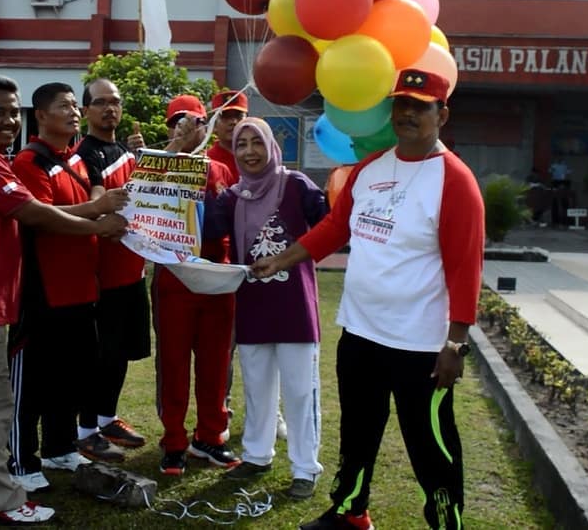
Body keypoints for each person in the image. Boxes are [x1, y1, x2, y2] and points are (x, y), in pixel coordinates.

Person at [251, 69, 484, 530]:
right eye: (402, 104)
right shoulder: (371, 167)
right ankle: (350, 512)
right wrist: (283, 260)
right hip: (360, 332)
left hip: (420, 345)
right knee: (358, 432)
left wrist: (455, 344)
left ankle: (445, 523)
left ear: (443, 114)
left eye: (421, 106)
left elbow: (465, 267)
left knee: (430, 443)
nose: (409, 114)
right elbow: (335, 228)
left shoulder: (455, 181)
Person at [0, 75, 125, 526]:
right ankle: (0, 497)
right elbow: (33, 213)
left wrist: (93, 212)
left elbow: (39, 210)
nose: (9, 120)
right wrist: (97, 225)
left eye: (13, 111)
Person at [7, 82, 127, 494]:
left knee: (72, 378)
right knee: (33, 384)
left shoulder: (73, 160)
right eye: (65, 107)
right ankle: (21, 460)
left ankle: (60, 447)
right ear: (40, 115)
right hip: (45, 293)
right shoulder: (30, 161)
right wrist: (96, 215)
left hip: (83, 291)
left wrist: (98, 207)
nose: (74, 113)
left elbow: (95, 190)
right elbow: (40, 216)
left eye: (77, 106)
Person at [205, 117, 328, 500]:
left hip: (294, 306)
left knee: (299, 390)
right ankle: (257, 456)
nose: (249, 152)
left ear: (271, 146)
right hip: (253, 302)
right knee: (257, 387)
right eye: (241, 145)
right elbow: (207, 231)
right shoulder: (232, 197)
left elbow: (328, 224)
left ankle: (305, 468)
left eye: (256, 142)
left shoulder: (295, 185)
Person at [154, 94, 240, 475]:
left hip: (216, 277)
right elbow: (143, 194)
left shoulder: (220, 169)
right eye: (178, 122)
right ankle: (174, 441)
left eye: (196, 122)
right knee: (173, 362)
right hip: (174, 278)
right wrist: (175, 148)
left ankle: (210, 436)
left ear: (208, 126)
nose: (188, 129)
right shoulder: (159, 164)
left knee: (215, 361)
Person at [75, 78, 151, 450]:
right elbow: (97, 199)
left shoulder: (124, 150)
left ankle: (107, 418)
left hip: (132, 271)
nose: (110, 109)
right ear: (85, 110)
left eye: (115, 102)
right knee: (100, 354)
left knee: (120, 351)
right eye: (101, 102)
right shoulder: (84, 154)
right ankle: (85, 429)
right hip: (101, 276)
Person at [206, 89, 249, 183]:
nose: (233, 122)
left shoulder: (255, 157)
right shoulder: (206, 161)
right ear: (214, 125)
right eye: (225, 117)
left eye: (238, 116)